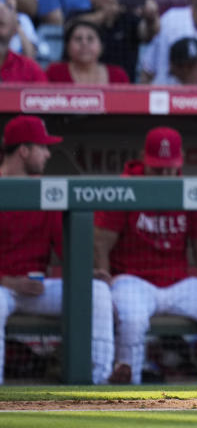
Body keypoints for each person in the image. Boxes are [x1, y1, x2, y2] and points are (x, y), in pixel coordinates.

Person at [96, 128, 197, 384]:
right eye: (158, 169)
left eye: (170, 169)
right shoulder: (125, 187)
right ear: (143, 159)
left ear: (181, 161)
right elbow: (100, 244)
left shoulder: (187, 190)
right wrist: (106, 289)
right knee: (133, 321)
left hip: (178, 283)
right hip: (132, 281)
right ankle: (126, 396)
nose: (165, 175)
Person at [0, 115, 114, 385]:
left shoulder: (47, 191)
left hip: (36, 288)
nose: (48, 154)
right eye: (43, 147)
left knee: (96, 292)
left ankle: (98, 382)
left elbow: (66, 249)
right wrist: (7, 281)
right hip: (3, 286)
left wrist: (87, 273)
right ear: (24, 151)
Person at [46, 19, 130, 85]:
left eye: (90, 39)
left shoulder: (118, 76)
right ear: (67, 46)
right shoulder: (54, 73)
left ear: (101, 46)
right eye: (78, 39)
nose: (84, 43)